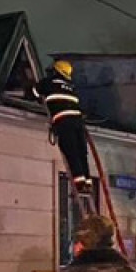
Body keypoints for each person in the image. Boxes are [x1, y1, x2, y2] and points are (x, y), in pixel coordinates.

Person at [31, 60, 92, 194]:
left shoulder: (49, 82)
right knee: (82, 153)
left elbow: (34, 92)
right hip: (78, 122)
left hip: (64, 121)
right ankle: (87, 182)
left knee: (71, 152)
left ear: (55, 71)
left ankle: (80, 184)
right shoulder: (71, 87)